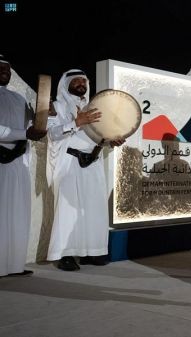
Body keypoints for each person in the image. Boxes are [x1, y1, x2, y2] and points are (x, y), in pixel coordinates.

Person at [46, 69, 124, 271]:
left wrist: (110, 141)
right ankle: (65, 255)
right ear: (66, 84)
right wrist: (76, 122)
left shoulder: (94, 107)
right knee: (68, 211)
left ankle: (92, 252)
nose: (81, 83)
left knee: (93, 209)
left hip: (93, 163)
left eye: (84, 80)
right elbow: (53, 134)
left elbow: (99, 134)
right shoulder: (56, 106)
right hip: (70, 162)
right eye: (76, 80)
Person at [0, 54, 47, 277]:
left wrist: (47, 114)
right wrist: (24, 134)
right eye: (1, 68)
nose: (5, 72)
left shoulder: (18, 98)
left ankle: (13, 265)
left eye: (8, 69)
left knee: (16, 214)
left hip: (18, 162)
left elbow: (33, 123)